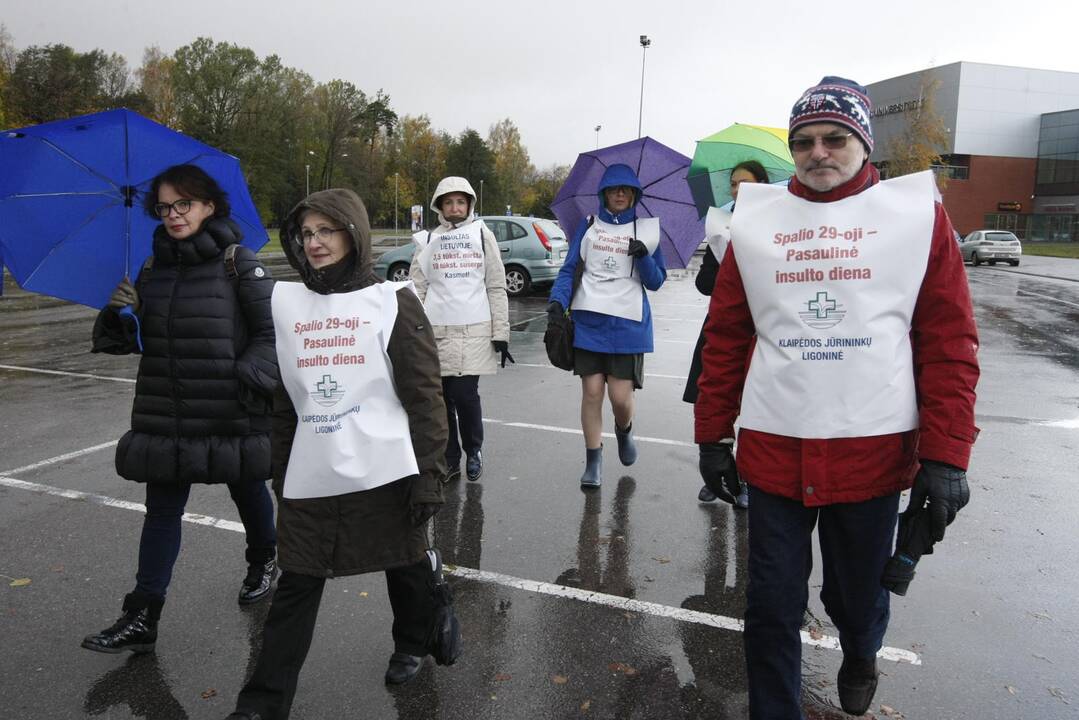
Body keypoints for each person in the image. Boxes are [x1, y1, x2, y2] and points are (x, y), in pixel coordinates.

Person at [694, 77, 979, 718]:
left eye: (834, 138)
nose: (818, 152)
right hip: (775, 452)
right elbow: (728, 334)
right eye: (804, 142)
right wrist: (712, 433)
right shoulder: (758, 219)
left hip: (872, 452)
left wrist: (948, 454)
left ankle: (859, 650)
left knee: (857, 596)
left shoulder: (914, 215)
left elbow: (948, 339)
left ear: (863, 142)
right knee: (769, 602)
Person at [226, 189, 449, 720]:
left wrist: (429, 476)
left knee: (406, 564)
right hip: (314, 468)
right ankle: (261, 705)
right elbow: (286, 401)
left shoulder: (392, 301)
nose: (315, 243)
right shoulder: (289, 304)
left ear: (353, 232)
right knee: (297, 583)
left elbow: (424, 394)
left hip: (388, 469)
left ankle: (414, 640)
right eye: (306, 233)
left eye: (327, 230)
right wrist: (281, 469)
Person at [83, 164, 278, 655]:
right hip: (165, 407)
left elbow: (273, 334)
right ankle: (141, 615)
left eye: (183, 204)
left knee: (248, 487)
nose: (173, 215)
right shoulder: (150, 269)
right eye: (164, 207)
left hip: (228, 406)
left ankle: (264, 558)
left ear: (209, 205)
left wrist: (244, 379)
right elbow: (136, 342)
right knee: (162, 510)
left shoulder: (239, 262)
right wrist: (118, 312)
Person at [548, 163, 667, 488]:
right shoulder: (588, 228)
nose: (619, 194)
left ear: (634, 195)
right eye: (614, 189)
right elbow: (568, 270)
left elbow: (656, 282)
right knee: (591, 392)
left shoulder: (647, 231)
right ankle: (593, 460)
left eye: (626, 189)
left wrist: (644, 256)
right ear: (603, 194)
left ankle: (624, 429)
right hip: (589, 322)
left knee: (619, 398)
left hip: (628, 326)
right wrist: (557, 303)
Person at [409, 176, 511, 482]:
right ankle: (450, 457)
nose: (455, 208)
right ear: (440, 205)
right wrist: (412, 330)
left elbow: (495, 284)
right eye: (449, 202)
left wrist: (501, 333)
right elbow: (416, 286)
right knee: (441, 399)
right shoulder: (427, 241)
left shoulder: (482, 235)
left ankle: (473, 449)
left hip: (475, 332)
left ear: (469, 204)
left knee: (464, 395)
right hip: (436, 333)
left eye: (461, 202)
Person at [683, 159, 769, 505]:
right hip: (723, 326)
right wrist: (726, 266)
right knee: (716, 398)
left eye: (744, 183)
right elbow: (704, 283)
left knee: (752, 405)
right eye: (733, 184)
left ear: (762, 185)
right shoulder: (720, 225)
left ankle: (746, 479)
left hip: (761, 332)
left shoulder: (774, 222)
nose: (736, 190)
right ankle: (718, 468)